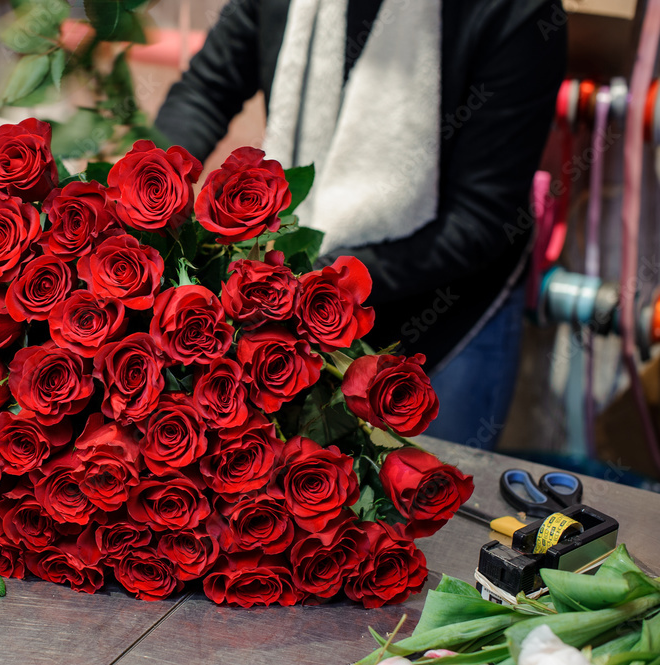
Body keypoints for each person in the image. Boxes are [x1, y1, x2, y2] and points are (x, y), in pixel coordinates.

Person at [154, 0, 567, 449]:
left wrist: (312, 285)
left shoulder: (518, 11)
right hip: (308, 307)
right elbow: (205, 90)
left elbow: (478, 221)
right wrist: (151, 194)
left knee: (436, 497)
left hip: (448, 313)